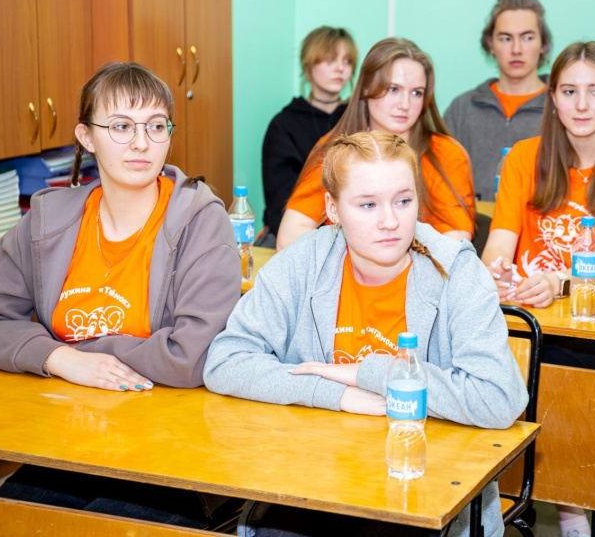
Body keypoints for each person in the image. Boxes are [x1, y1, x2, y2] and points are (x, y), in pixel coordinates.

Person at [0, 61, 242, 528]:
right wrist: (59, 358)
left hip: (172, 451)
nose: (141, 143)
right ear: (86, 137)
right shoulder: (48, 220)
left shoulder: (201, 221)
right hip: (70, 439)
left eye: (156, 126)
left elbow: (192, 356)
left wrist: (83, 354)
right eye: (121, 126)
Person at [204, 131, 527, 537]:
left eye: (403, 201)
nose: (390, 221)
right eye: (368, 205)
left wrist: (367, 373)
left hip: (425, 487)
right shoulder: (304, 261)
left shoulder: (456, 271)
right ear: (332, 208)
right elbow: (225, 361)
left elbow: (499, 398)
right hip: (314, 480)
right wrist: (336, 394)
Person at [481, 41, 595, 537]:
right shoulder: (524, 157)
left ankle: (570, 507)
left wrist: (555, 281)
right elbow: (499, 242)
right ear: (553, 98)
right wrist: (495, 272)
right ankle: (496, 499)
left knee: (558, 376)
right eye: (569, 91)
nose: (582, 105)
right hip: (526, 314)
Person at [276, 37, 475, 250]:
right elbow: (289, 236)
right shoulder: (335, 150)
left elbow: (455, 242)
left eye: (416, 93)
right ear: (365, 89)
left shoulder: (445, 153)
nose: (405, 104)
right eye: (393, 89)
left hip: (422, 268)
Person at [444, 0, 552, 201]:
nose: (516, 49)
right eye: (506, 38)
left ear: (543, 45)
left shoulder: (562, 108)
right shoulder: (462, 109)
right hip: (471, 221)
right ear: (491, 45)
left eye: (527, 38)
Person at [259, 26, 358, 246]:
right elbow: (278, 205)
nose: (340, 68)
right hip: (294, 236)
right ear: (308, 64)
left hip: (355, 235)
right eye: (330, 59)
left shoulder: (358, 120)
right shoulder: (284, 125)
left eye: (347, 61)